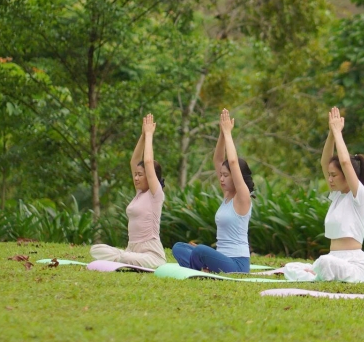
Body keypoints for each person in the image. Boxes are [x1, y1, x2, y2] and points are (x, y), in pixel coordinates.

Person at [283, 107, 364, 282]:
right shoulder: (337, 196)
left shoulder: (360, 197)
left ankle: (317, 275)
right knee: (290, 267)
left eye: (334, 175)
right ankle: (317, 275)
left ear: (346, 176)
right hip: (333, 259)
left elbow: (345, 162)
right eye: (329, 175)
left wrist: (338, 133)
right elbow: (325, 162)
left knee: (324, 262)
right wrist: (331, 133)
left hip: (353, 264)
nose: (329, 179)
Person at [172, 109, 253, 273]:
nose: (221, 179)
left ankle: (201, 267)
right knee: (179, 247)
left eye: (226, 176)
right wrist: (222, 133)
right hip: (221, 258)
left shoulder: (243, 198)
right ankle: (204, 267)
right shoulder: (227, 196)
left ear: (237, 177)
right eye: (221, 175)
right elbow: (218, 159)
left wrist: (229, 133)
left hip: (237, 263)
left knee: (200, 251)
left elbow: (232, 162)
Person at [90, 114, 166, 268]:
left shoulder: (155, 195)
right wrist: (143, 135)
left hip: (152, 254)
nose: (136, 178)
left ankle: (125, 258)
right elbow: (134, 161)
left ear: (150, 176)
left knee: (125, 257)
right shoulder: (139, 194)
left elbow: (148, 162)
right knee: (96, 249)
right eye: (135, 175)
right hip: (131, 249)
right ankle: (124, 257)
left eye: (140, 175)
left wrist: (150, 135)